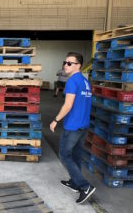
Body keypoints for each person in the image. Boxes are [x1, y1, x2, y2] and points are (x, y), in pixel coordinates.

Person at [50, 52, 95, 204]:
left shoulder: (71, 82)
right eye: (65, 62)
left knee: (64, 155)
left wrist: (56, 120)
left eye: (70, 63)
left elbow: (67, 105)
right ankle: (74, 182)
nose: (65, 65)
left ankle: (85, 186)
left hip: (73, 126)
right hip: (83, 125)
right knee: (76, 155)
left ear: (78, 66)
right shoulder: (85, 81)